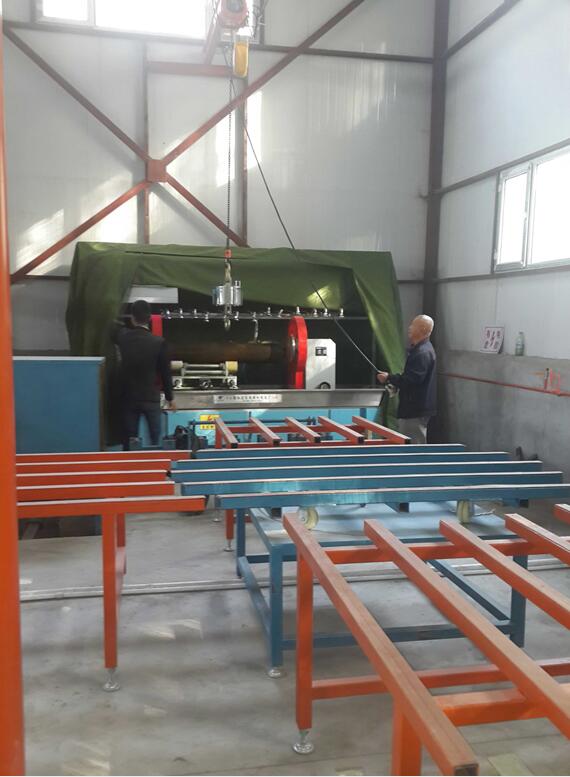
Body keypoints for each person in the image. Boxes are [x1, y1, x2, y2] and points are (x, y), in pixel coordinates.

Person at [114, 299, 176, 449]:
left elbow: (114, 328)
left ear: (132, 318)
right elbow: (165, 372)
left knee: (131, 440)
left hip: (129, 398)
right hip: (151, 398)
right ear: (149, 318)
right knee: (155, 439)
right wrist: (170, 398)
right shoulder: (159, 342)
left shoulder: (123, 337)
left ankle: (131, 462)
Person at [377, 315, 436, 444]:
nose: (409, 328)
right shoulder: (419, 350)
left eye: (413, 325)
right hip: (414, 409)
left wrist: (389, 377)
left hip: (414, 410)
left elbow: (411, 380)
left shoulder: (422, 353)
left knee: (414, 446)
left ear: (423, 329)